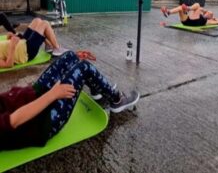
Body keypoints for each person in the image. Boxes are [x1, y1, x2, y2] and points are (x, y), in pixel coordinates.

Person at [0, 51, 140, 150]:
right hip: (44, 120)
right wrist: (52, 95)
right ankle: (117, 100)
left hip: (34, 95)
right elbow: (15, 120)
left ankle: (96, 89)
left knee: (70, 56)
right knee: (84, 67)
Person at [0, 18, 68, 68]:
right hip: (26, 52)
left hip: (22, 42)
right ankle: (57, 48)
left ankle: (48, 46)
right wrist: (12, 46)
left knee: (37, 20)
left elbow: (4, 49)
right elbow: (8, 64)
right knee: (45, 23)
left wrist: (9, 39)